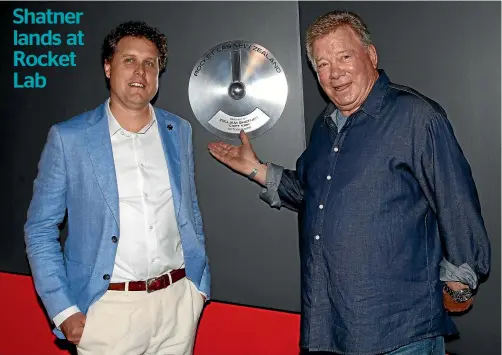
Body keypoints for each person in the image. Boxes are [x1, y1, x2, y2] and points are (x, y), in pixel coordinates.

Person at [208, 10, 490, 355]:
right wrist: (255, 168)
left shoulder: (416, 116)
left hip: (400, 330)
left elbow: (455, 199)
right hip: (331, 322)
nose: (335, 72)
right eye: (323, 64)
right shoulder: (324, 126)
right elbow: (313, 193)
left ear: (370, 56)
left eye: (344, 56)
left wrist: (460, 281)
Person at [24, 21, 210, 355]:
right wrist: (63, 310)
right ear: (108, 67)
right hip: (108, 312)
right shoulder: (70, 138)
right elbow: (40, 230)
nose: (140, 71)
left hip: (178, 306)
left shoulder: (177, 130)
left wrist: (198, 290)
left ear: (158, 72)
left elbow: (189, 211)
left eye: (150, 63)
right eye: (129, 60)